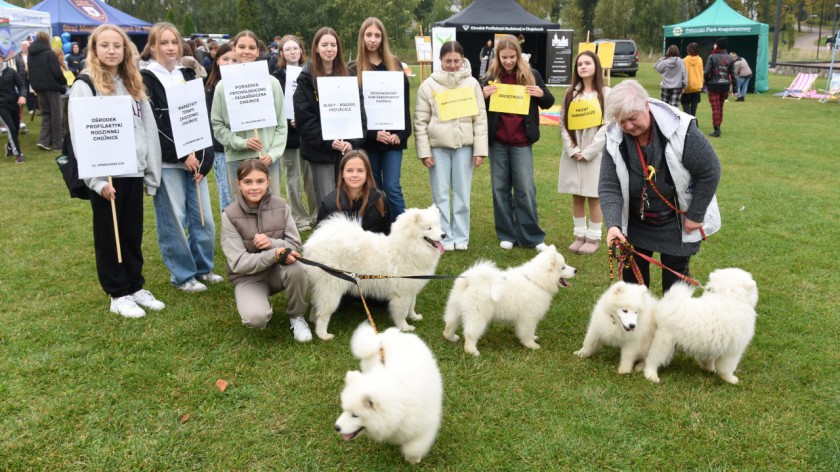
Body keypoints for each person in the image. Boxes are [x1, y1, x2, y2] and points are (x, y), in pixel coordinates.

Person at [68, 24, 164, 318]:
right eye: (105, 45)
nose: (111, 51)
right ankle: (117, 292)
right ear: (94, 50)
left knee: (132, 232)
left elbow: (148, 129)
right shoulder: (85, 85)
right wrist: (96, 182)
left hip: (133, 171)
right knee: (110, 234)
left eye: (117, 46)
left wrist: (151, 172)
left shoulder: (133, 83)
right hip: (106, 174)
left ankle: (135, 285)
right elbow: (80, 136)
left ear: (126, 50)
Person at [599, 80, 721, 293]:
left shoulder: (682, 129)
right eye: (621, 121)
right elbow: (609, 186)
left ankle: (674, 325)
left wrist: (695, 214)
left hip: (676, 223)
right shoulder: (613, 137)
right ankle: (637, 327)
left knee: (675, 288)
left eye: (633, 118)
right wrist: (614, 225)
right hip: (636, 223)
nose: (627, 126)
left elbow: (710, 170)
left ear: (646, 105)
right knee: (632, 287)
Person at [142, 22, 221, 293]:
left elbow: (199, 119)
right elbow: (155, 125)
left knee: (203, 219)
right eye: (163, 43)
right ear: (153, 47)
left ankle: (203, 267)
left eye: (174, 42)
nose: (170, 48)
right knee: (173, 218)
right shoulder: (146, 79)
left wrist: (203, 159)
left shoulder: (187, 74)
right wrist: (181, 155)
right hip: (168, 163)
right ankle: (183, 275)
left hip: (195, 161)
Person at [221, 159, 311, 340]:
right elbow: (239, 263)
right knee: (256, 319)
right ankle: (257, 303)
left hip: (277, 271)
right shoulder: (229, 215)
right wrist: (273, 255)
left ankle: (297, 316)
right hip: (248, 277)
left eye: (260, 181)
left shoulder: (281, 205)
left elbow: (295, 246)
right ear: (238, 184)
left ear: (268, 182)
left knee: (297, 268)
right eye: (248, 182)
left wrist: (273, 243)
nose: (254, 187)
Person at [480, 34, 554, 251]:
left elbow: (548, 102)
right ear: (498, 57)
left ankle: (532, 236)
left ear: (518, 55)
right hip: (498, 142)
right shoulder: (491, 76)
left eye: (512, 57)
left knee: (525, 189)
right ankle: (507, 233)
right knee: (499, 188)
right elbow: (478, 106)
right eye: (504, 57)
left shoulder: (532, 74)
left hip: (522, 141)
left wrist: (541, 93)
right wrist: (483, 95)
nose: (508, 61)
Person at [414, 40, 487, 251]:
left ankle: (461, 237)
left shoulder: (472, 84)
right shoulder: (428, 85)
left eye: (456, 61)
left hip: (465, 146)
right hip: (438, 148)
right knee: (441, 195)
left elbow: (480, 119)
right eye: (448, 61)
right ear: (441, 61)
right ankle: (444, 236)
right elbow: (420, 120)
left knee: (463, 194)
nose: (453, 65)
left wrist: (480, 150)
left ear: (463, 60)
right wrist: (424, 152)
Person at [212, 30, 287, 206]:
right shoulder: (223, 87)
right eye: (242, 46)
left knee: (271, 207)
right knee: (242, 209)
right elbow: (218, 125)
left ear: (258, 51)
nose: (247, 51)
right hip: (237, 159)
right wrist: (241, 143)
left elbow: (281, 124)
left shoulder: (272, 84)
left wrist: (273, 153)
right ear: (234, 49)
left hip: (267, 158)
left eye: (251, 47)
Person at [293, 27, 364, 207]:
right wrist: (329, 141)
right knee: (327, 199)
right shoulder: (305, 79)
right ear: (316, 48)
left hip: (346, 150)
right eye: (324, 45)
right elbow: (305, 120)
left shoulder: (349, 76)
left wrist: (351, 141)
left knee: (350, 196)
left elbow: (359, 112)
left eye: (333, 45)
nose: (329, 49)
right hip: (320, 151)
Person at [350, 17, 410, 221]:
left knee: (392, 187)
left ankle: (404, 230)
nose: (373, 39)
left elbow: (404, 104)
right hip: (369, 140)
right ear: (362, 37)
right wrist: (374, 134)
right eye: (369, 35)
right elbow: (354, 110)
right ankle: (379, 227)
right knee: (374, 188)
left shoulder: (395, 65)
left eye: (377, 35)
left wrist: (400, 135)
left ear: (383, 37)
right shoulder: (354, 68)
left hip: (393, 140)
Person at [558, 51, 611, 254]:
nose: (583, 67)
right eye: (579, 64)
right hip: (573, 151)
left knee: (594, 195)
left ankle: (594, 237)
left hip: (595, 153)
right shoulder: (571, 93)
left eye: (587, 63)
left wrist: (589, 151)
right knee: (577, 195)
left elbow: (608, 126)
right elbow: (563, 123)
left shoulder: (606, 93)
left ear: (596, 66)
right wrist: (572, 149)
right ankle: (579, 235)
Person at [272, 34, 317, 231]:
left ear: (301, 50)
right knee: (293, 179)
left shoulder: (310, 72)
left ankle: (317, 214)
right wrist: (286, 119)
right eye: (288, 49)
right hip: (288, 138)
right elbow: (273, 107)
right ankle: (299, 218)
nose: (292, 52)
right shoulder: (276, 78)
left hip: (309, 135)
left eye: (295, 48)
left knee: (312, 178)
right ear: (281, 52)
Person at [317, 150, 391, 234]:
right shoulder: (329, 205)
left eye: (360, 170)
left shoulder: (380, 200)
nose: (355, 175)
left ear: (367, 173)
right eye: (349, 170)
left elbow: (386, 233)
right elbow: (320, 239)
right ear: (342, 173)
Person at [205, 42, 237, 213]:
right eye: (226, 59)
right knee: (226, 190)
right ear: (217, 60)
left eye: (234, 59)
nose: (230, 63)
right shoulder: (211, 88)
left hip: (241, 144)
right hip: (221, 148)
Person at [28, 31, 67, 151]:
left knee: (46, 115)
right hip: (52, 88)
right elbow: (56, 72)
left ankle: (43, 141)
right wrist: (63, 82)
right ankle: (57, 143)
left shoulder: (31, 54)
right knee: (56, 116)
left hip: (38, 88)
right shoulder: (49, 54)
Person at [704, 37, 733, 137]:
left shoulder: (712, 56)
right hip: (725, 85)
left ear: (718, 45)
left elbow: (707, 72)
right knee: (720, 107)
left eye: (715, 44)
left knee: (715, 108)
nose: (714, 45)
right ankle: (718, 126)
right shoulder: (730, 57)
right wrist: (736, 89)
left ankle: (717, 130)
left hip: (714, 85)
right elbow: (733, 74)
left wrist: (707, 82)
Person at [0, 58, 27, 162]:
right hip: (1, 106)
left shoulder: (11, 71)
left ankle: (10, 147)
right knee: (11, 128)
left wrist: (22, 96)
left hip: (14, 104)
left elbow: (21, 85)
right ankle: (18, 154)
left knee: (15, 128)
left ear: (1, 59)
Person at [680, 42, 703, 117]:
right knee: (694, 106)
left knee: (684, 103)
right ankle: (692, 118)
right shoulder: (700, 60)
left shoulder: (684, 60)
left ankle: (689, 117)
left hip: (687, 86)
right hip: (697, 86)